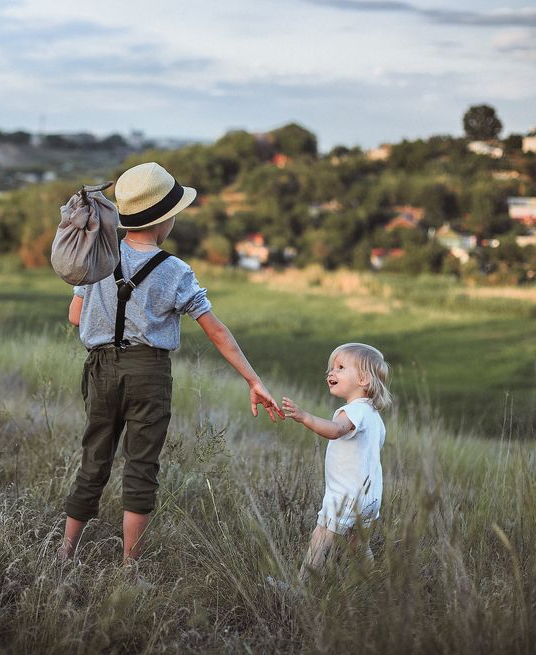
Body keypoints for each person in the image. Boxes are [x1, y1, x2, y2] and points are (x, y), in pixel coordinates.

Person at [59, 162, 283, 564]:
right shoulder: (176, 271)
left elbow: (75, 316)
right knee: (141, 465)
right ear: (165, 221)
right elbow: (216, 331)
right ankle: (130, 566)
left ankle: (65, 553)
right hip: (148, 373)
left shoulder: (98, 257)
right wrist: (253, 380)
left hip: (100, 370)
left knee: (94, 460)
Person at [281, 342, 392, 575]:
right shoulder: (373, 416)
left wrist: (305, 417)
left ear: (363, 380)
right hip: (369, 497)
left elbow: (335, 430)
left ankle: (301, 588)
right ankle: (372, 582)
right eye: (331, 368)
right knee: (358, 545)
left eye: (340, 367)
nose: (331, 372)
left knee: (320, 537)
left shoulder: (351, 411)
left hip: (345, 495)